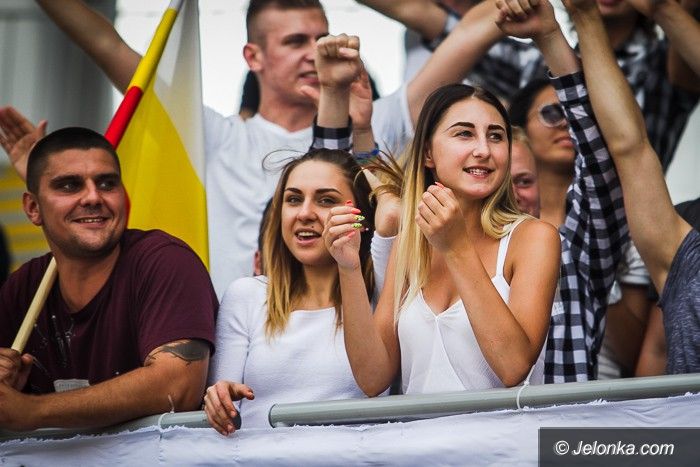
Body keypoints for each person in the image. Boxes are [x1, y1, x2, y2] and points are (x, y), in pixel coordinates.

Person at [32, 0, 509, 297]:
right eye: (295, 41)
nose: (313, 52)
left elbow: (467, 33)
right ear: (252, 56)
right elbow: (105, 43)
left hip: (352, 339)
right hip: (236, 343)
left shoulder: (374, 117)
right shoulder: (214, 135)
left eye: (321, 38)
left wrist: (524, 12)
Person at [325, 81, 561, 395]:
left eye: (495, 136)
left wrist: (456, 247)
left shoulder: (534, 237)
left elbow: (513, 366)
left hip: (501, 428)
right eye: (464, 134)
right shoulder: (409, 244)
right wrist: (349, 269)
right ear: (428, 154)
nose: (483, 150)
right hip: (418, 428)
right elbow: (372, 378)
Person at [0, 127, 216, 431]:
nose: (93, 197)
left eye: (107, 183)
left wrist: (31, 410)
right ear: (33, 208)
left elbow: (177, 387)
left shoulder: (165, 261)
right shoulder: (23, 288)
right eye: (69, 185)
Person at [360, 0, 699, 170]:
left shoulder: (663, 64)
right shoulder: (535, 60)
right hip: (526, 226)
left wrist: (665, 8)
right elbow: (427, 15)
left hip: (630, 241)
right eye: (551, 112)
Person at [566, 0, 700, 374]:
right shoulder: (691, 252)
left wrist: (664, 10)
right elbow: (629, 147)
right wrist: (585, 16)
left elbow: (632, 149)